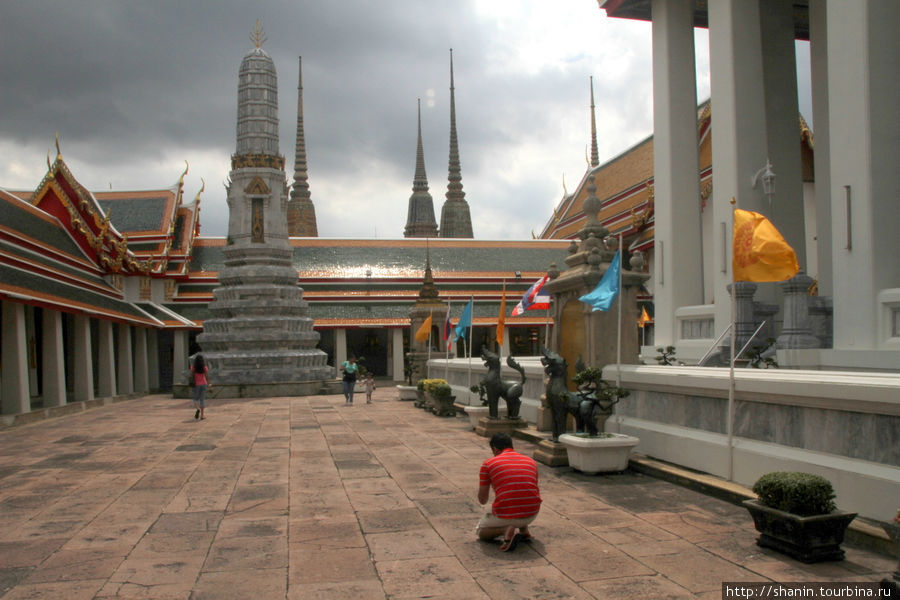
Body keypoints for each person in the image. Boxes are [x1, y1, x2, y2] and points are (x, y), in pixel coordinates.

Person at [476, 433, 541, 552]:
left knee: (481, 532)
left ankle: (505, 530)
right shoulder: (531, 461)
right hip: (532, 513)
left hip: (507, 514)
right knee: (521, 495)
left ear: (495, 449)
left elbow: (483, 500)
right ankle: (524, 530)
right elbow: (529, 489)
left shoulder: (488, 464)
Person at [190, 353, 210, 420]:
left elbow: (191, 375)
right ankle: (202, 415)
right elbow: (207, 376)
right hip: (204, 383)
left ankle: (197, 408)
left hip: (196, 384)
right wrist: (209, 383)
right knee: (202, 399)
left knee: (195, 399)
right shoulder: (204, 367)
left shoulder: (193, 367)